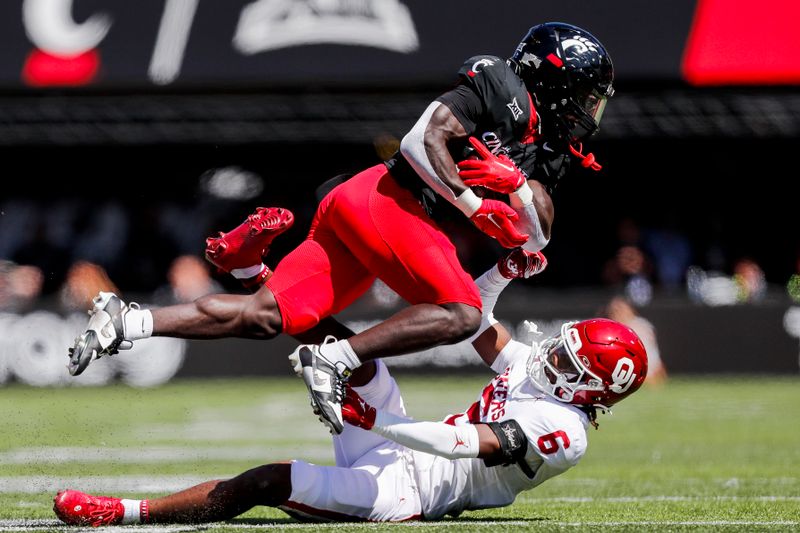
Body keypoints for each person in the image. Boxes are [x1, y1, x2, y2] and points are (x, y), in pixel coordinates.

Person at [67, 22, 616, 435]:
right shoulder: (502, 88)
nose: (589, 111)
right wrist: (474, 203)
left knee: (268, 315)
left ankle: (129, 319)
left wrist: (515, 183)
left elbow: (538, 230)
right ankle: (334, 357)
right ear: (553, 76)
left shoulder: (547, 146)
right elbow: (419, 140)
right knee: (464, 314)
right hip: (389, 200)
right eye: (587, 95)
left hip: (369, 211)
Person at [53, 249, 648, 526]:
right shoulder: (541, 379)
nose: (551, 354)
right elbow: (477, 318)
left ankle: (125, 512)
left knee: (269, 481)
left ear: (590, 389)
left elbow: (461, 446)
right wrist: (504, 268)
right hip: (405, 446)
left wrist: (371, 421)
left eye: (568, 358)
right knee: (350, 352)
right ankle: (256, 277)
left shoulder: (565, 432)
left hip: (409, 492)